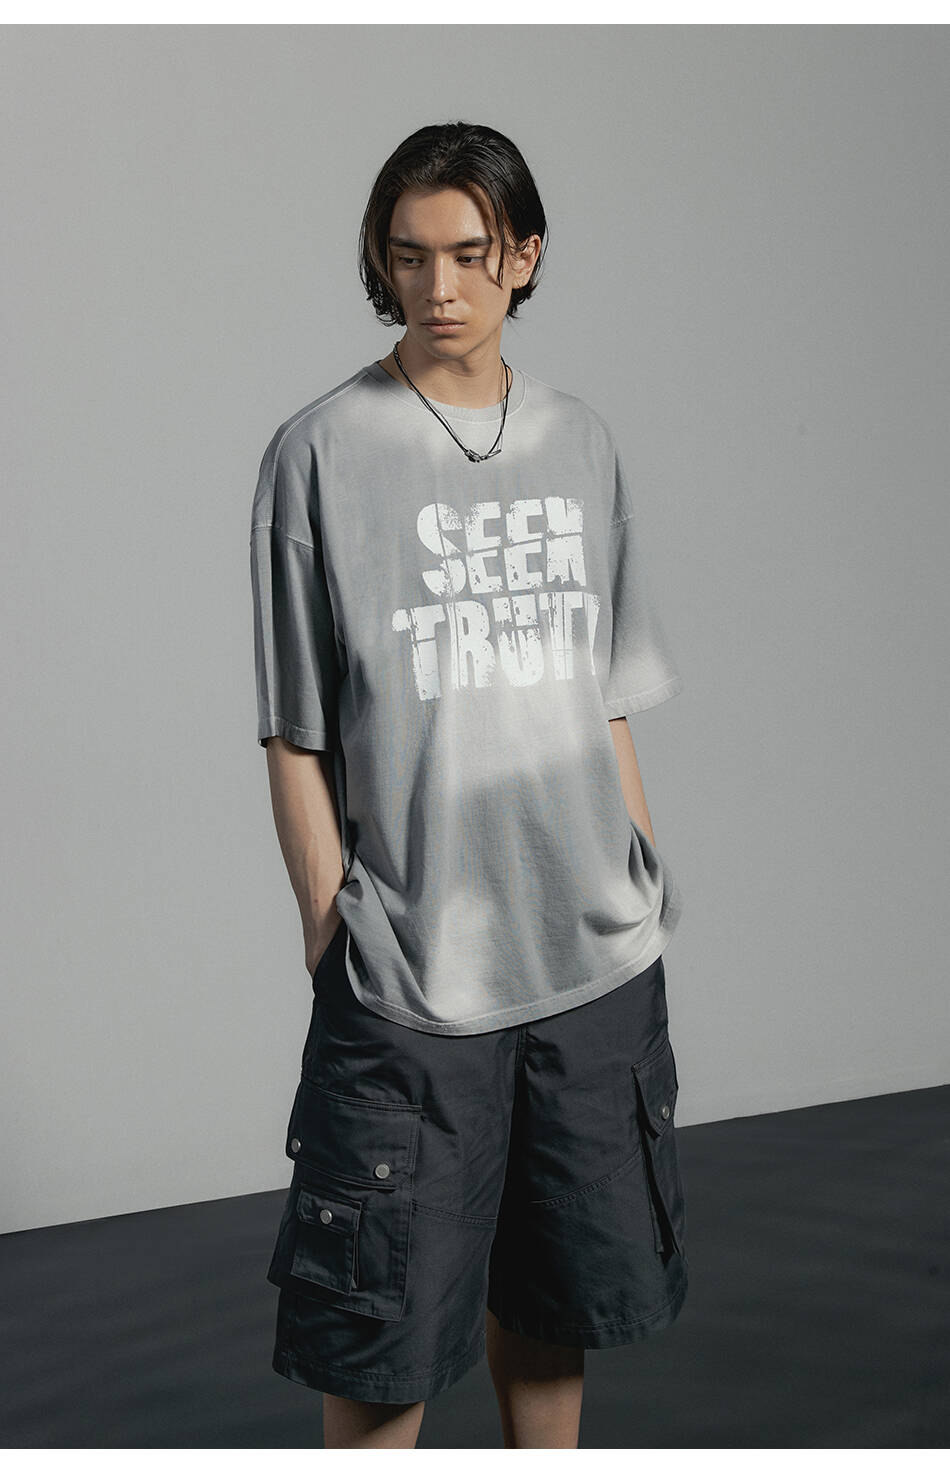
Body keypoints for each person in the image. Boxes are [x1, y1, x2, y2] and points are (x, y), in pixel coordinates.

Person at [250, 120, 689, 1450]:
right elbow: (294, 733)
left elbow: (604, 690)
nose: (436, 288)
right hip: (413, 972)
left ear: (524, 257)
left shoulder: (581, 440)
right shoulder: (319, 452)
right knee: (381, 1336)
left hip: (590, 961)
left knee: (553, 1306)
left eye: (468, 254)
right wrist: (330, 929)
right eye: (408, 257)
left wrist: (639, 878)